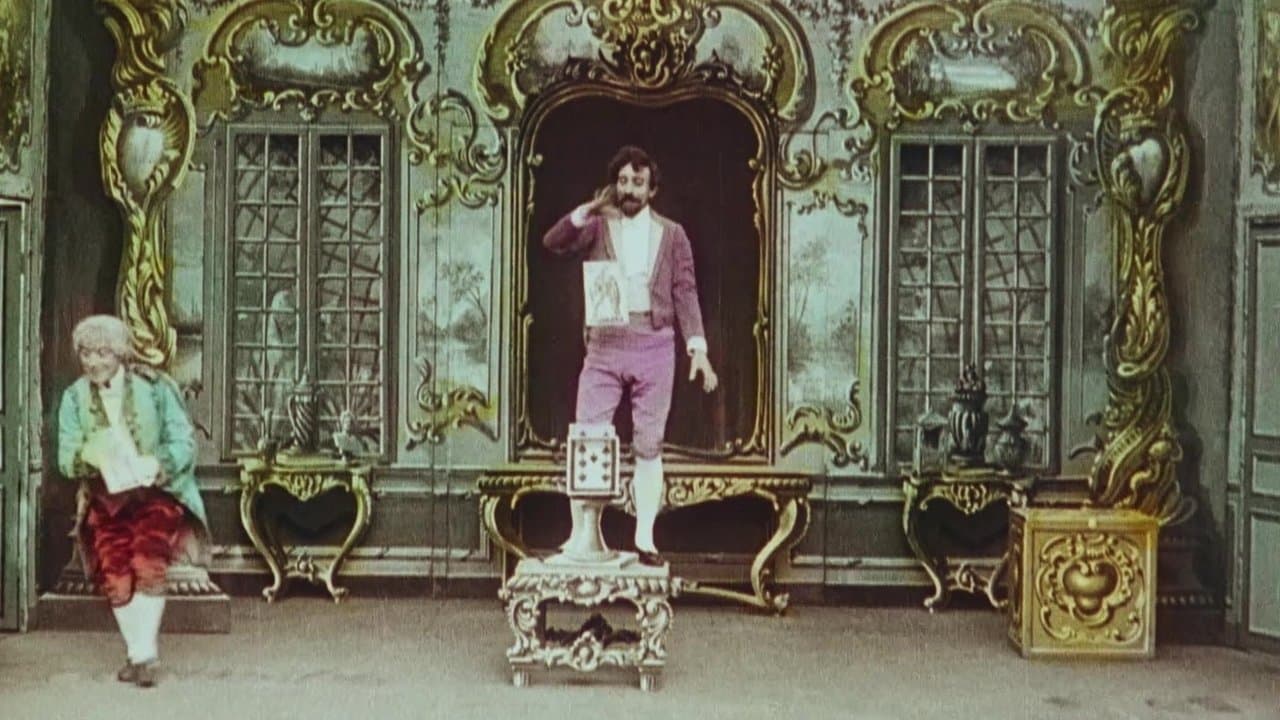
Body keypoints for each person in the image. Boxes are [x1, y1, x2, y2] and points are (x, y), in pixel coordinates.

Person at [543, 145, 718, 566]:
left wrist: (698, 349)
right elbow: (553, 242)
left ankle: (645, 540)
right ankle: (582, 536)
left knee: (649, 443)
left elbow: (685, 291)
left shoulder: (672, 235)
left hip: (655, 345)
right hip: (605, 344)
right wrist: (588, 209)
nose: (629, 190)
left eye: (638, 182)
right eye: (623, 181)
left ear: (652, 189)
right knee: (589, 435)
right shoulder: (597, 225)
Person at [56, 315, 209, 688]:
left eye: (103, 353)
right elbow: (65, 457)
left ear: (121, 354)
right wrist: (90, 455)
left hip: (156, 493)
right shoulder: (74, 398)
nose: (93, 362)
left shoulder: (156, 388)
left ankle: (144, 657)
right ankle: (140, 655)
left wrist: (157, 464)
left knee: (148, 558)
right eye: (86, 354)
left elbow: (183, 441)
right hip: (107, 498)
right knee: (115, 570)